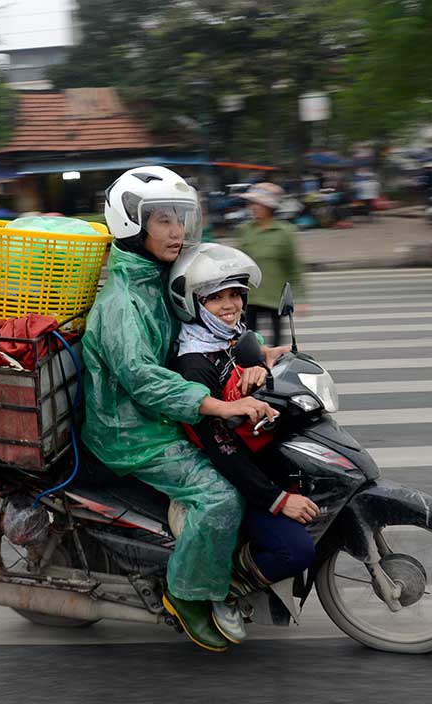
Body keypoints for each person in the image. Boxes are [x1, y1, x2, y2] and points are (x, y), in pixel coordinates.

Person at [81, 166, 275, 653]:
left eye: (182, 219)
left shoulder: (162, 278)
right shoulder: (122, 302)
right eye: (163, 220)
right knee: (219, 498)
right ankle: (185, 595)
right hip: (131, 430)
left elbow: (205, 329)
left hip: (163, 415)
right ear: (131, 225)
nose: (178, 231)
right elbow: (143, 379)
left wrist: (259, 355)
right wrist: (217, 406)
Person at [168, 244, 318, 642]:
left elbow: (243, 357)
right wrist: (278, 500)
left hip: (255, 455)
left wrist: (262, 361)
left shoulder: (227, 339)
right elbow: (221, 450)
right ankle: (226, 589)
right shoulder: (194, 363)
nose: (230, 305)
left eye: (235, 294)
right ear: (194, 303)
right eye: (216, 297)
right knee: (296, 552)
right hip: (231, 474)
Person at [236, 183, 305, 346]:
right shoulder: (245, 229)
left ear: (269, 207)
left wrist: (301, 297)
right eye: (252, 204)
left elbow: (293, 267)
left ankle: (273, 369)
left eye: (258, 204)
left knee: (277, 342)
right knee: (249, 339)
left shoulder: (285, 232)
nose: (254, 207)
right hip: (250, 296)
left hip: (275, 297)